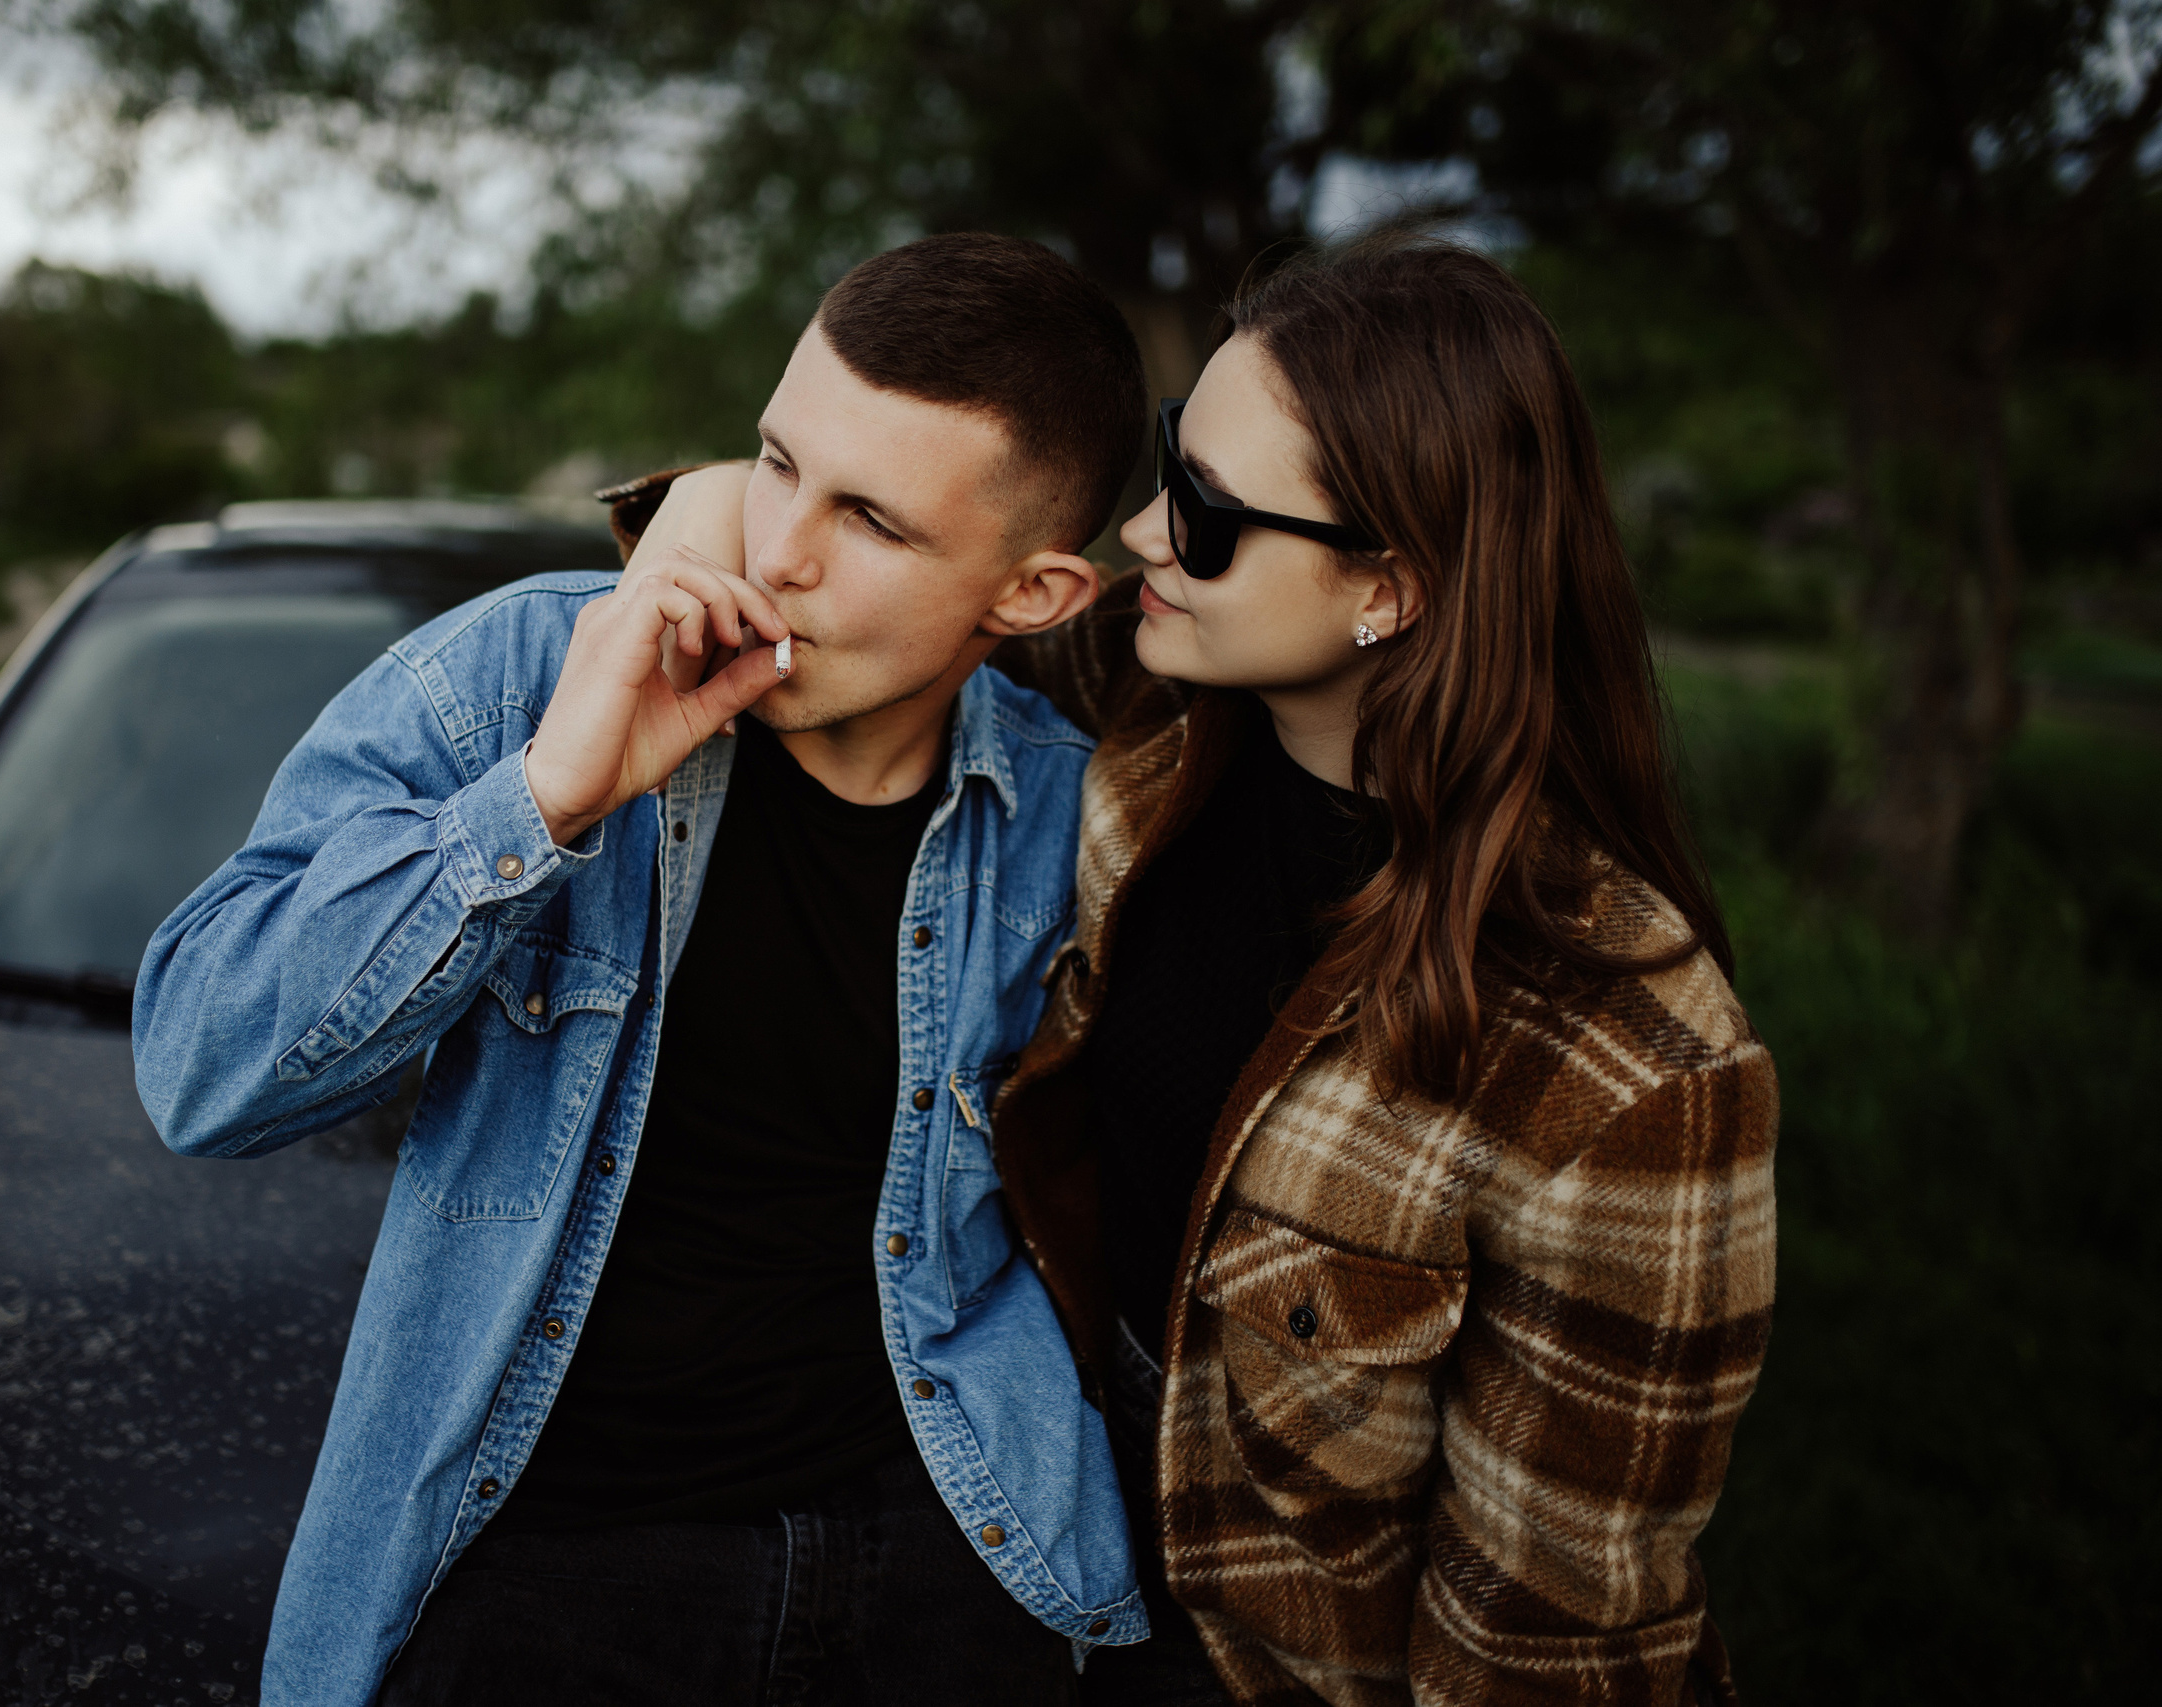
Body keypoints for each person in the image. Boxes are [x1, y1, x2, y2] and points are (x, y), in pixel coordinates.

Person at [640, 234, 1778, 1706]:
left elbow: (1545, 1639)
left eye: (1212, 516)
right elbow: (839, 530)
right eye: (1177, 459)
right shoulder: (1144, 702)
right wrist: (695, 523)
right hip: (1044, 1562)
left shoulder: (1626, 1069)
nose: (1147, 534)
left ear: (1393, 586)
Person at [131, 233, 1157, 1707]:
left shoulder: (1071, 818)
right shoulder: (522, 676)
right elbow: (198, 1066)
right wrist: (543, 803)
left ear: (1036, 593)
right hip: (551, 1558)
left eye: (869, 518)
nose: (778, 548)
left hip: (944, 1547)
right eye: (775, 462)